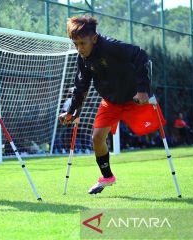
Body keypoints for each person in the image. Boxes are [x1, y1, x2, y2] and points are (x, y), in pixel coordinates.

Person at [59, 16, 165, 194]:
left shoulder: (110, 46)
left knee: (153, 130)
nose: (79, 48)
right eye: (75, 44)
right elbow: (81, 86)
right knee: (97, 137)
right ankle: (107, 177)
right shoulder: (82, 58)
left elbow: (140, 54)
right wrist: (72, 112)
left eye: (82, 43)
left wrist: (143, 89)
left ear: (94, 38)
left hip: (133, 99)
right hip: (110, 102)